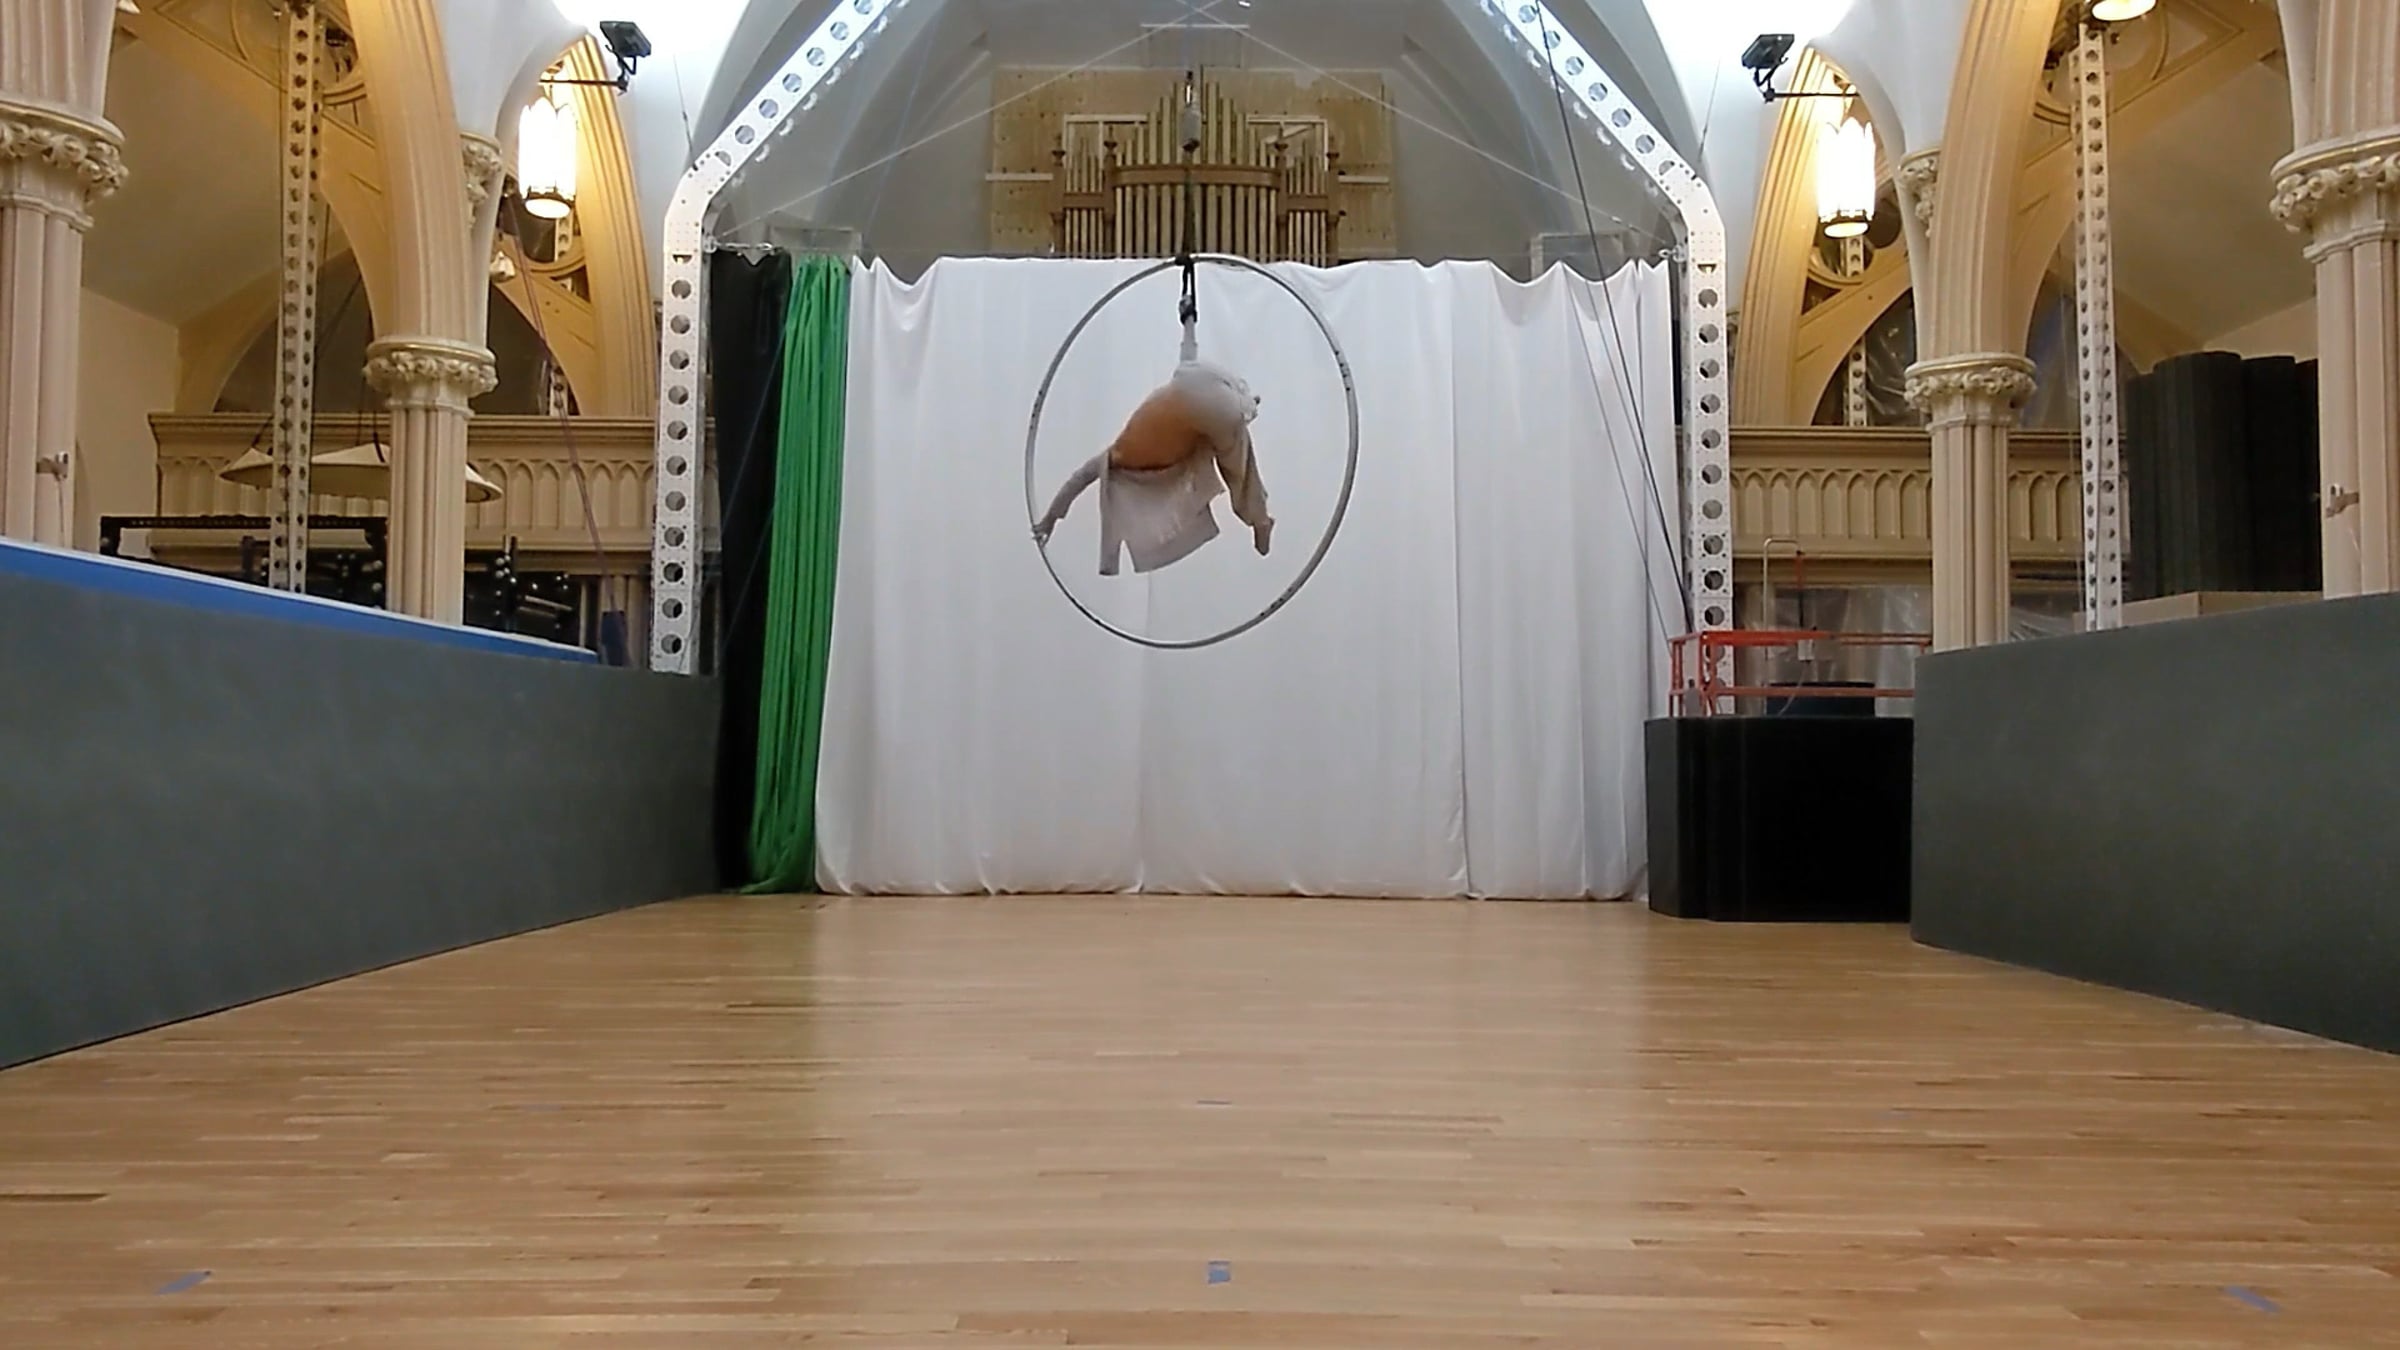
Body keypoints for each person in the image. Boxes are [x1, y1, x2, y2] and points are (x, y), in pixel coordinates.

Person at [1033, 359, 1274, 576]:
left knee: (1238, 472)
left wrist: (1050, 519)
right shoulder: (1125, 447)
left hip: (1205, 400)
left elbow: (1078, 480)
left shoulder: (1114, 457)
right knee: (1226, 445)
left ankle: (1260, 520)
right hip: (1192, 376)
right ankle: (1247, 405)